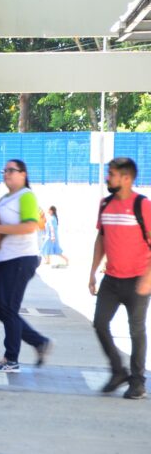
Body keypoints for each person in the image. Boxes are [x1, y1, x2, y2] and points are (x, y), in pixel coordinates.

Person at [0, 159, 51, 373]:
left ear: (23, 174)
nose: (7, 174)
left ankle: (11, 360)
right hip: (3, 259)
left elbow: (30, 226)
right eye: (5, 170)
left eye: (12, 170)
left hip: (20, 259)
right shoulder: (5, 198)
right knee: (0, 309)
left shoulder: (26, 196)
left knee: (8, 309)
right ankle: (39, 342)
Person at [89, 157, 151, 400]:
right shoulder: (105, 204)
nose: (108, 178)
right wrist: (92, 271)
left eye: (112, 174)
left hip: (138, 280)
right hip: (111, 280)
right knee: (99, 323)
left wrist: (148, 277)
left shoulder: (142, 205)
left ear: (126, 178)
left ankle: (137, 382)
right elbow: (101, 239)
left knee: (136, 331)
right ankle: (118, 370)